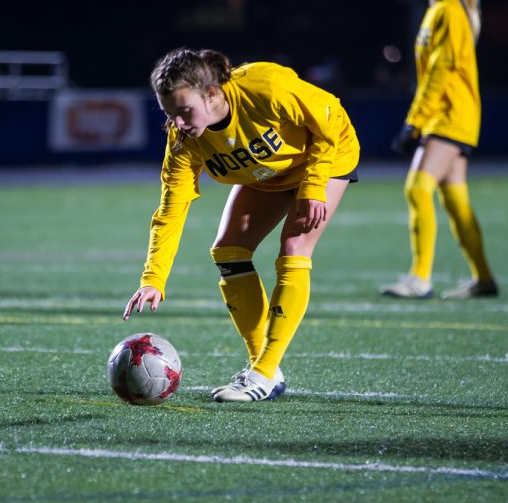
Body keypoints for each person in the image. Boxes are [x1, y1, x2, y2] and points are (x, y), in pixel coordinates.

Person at [124, 48, 360, 402]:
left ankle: (263, 372)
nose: (179, 123)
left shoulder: (266, 87)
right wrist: (153, 279)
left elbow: (329, 120)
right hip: (267, 175)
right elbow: (171, 210)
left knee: (294, 247)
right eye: (170, 114)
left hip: (324, 157)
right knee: (228, 252)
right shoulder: (185, 142)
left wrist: (313, 186)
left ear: (212, 93)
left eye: (185, 111)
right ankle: (264, 368)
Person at [380, 0, 497, 300]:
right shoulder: (438, 12)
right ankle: (484, 279)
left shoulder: (449, 12)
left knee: (417, 188)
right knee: (455, 201)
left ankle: (420, 279)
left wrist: (413, 122)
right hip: (450, 116)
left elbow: (440, 72)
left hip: (449, 116)